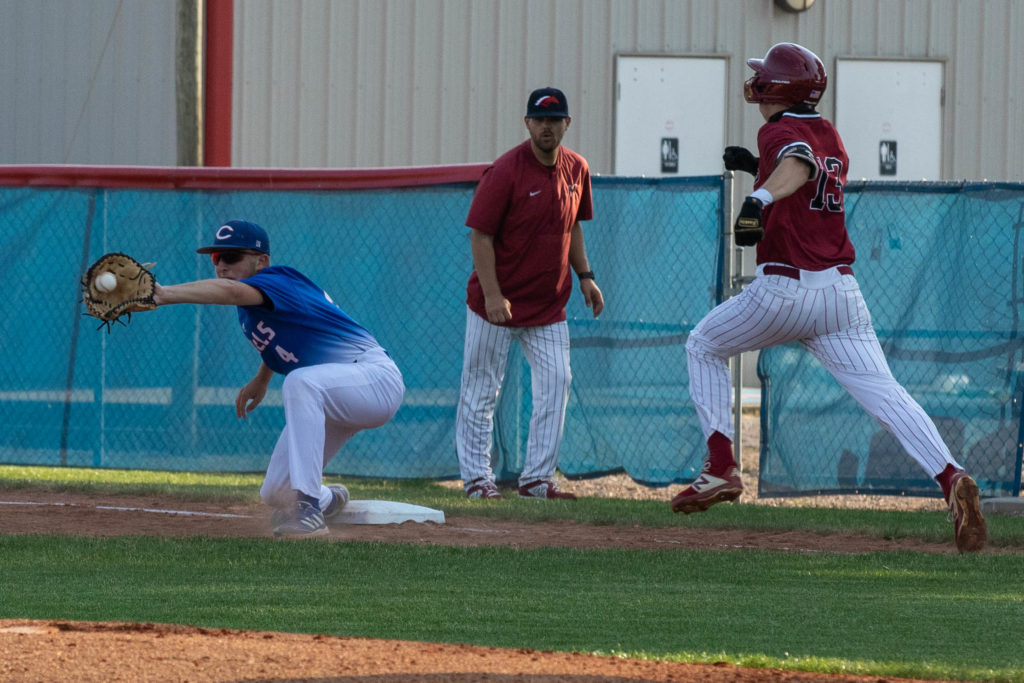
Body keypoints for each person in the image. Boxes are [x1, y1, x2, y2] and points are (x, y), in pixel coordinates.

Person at [669, 43, 988, 553]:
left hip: (785, 289)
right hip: (840, 295)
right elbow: (806, 173)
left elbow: (798, 163)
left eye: (765, 77)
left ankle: (721, 464)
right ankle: (952, 476)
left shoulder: (778, 131)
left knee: (703, 345)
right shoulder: (828, 131)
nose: (758, 83)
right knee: (887, 395)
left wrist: (757, 195)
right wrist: (757, 168)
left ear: (776, 86)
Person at [152, 220, 405, 537]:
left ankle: (308, 510)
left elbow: (229, 291)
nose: (221, 266)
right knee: (276, 492)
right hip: (334, 391)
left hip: (374, 380)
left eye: (231, 257)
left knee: (300, 382)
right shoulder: (250, 309)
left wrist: (162, 293)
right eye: (216, 258)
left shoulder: (279, 279)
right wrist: (262, 378)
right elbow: (286, 338)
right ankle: (328, 499)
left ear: (261, 261)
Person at [455, 87, 605, 500]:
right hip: (495, 306)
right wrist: (492, 295)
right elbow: (480, 236)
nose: (546, 127)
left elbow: (573, 225)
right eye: (539, 119)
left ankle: (537, 479)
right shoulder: (506, 171)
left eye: (554, 120)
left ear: (567, 124)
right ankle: (477, 480)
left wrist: (586, 276)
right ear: (527, 123)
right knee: (481, 391)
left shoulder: (577, 168)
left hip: (548, 305)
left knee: (557, 381)